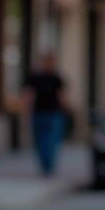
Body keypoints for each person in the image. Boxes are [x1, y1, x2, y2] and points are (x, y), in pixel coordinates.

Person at [21, 48, 68, 177]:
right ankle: (46, 166)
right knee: (44, 141)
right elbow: (29, 95)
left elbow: (61, 96)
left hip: (52, 113)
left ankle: (47, 166)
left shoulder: (56, 78)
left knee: (49, 141)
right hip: (42, 113)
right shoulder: (36, 77)